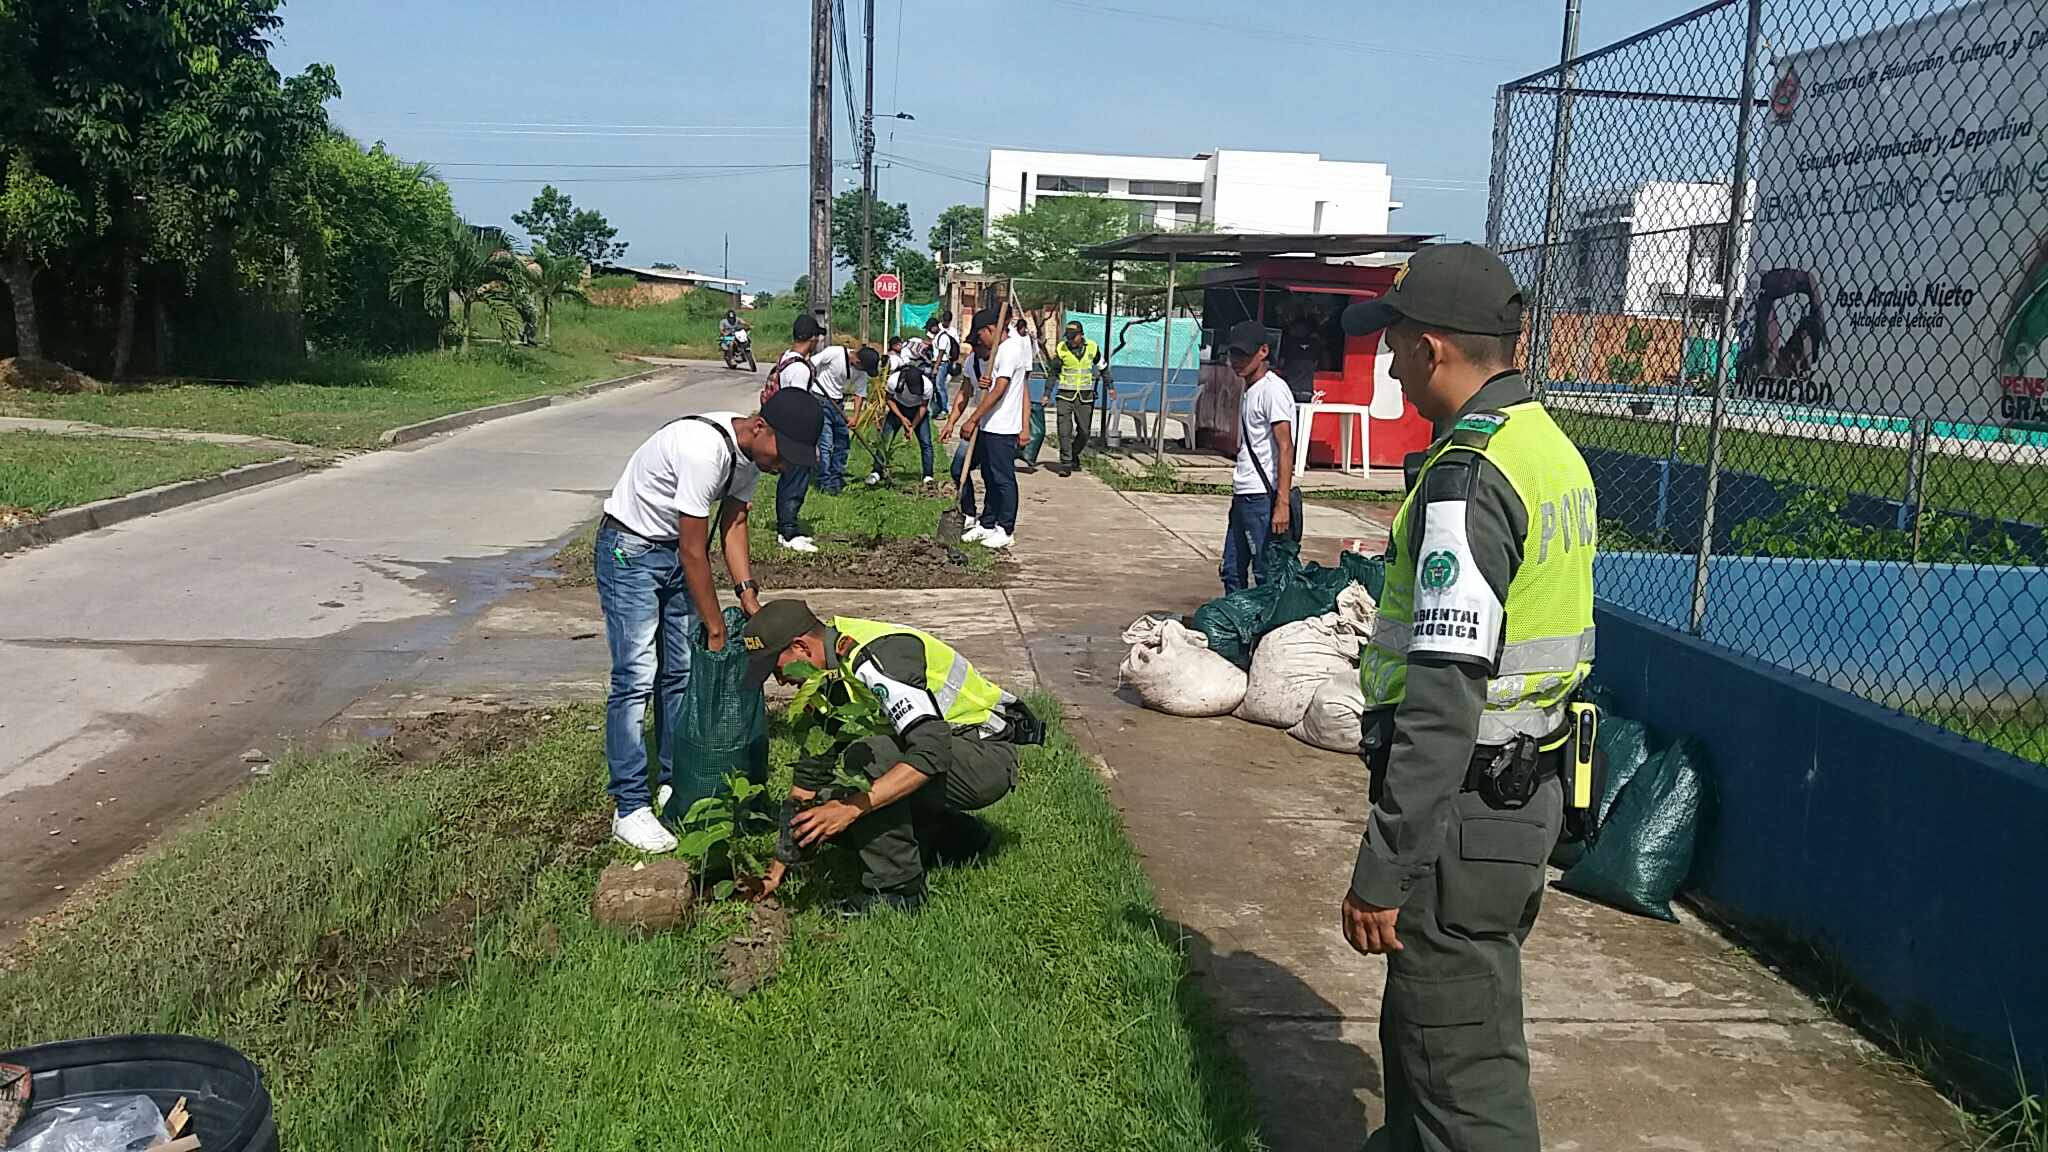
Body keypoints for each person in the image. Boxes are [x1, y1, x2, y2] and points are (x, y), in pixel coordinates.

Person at [1335, 243, 1598, 1152]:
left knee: (1463, 1077)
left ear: (1433, 348)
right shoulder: (1546, 448)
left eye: (1394, 348)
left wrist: (1384, 865)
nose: (1390, 368)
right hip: (1521, 797)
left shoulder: (1468, 476)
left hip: (1462, 815)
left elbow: (1444, 700)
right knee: (1427, 1040)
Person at [595, 390, 822, 852]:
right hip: (630, 551)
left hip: (671, 553)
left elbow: (733, 526)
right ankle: (629, 806)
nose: (783, 466)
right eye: (783, 454)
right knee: (637, 677)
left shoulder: (750, 459)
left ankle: (674, 779)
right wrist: (716, 628)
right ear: (760, 427)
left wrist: (748, 597)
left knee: (680, 672)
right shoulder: (704, 451)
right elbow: (693, 549)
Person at [739, 599, 1037, 913]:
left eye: (777, 669)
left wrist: (849, 810)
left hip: (984, 753)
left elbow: (931, 751)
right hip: (945, 754)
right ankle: (952, 836)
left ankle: (897, 891)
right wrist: (775, 871)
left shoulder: (875, 658)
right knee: (824, 804)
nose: (780, 681)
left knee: (864, 760)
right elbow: (809, 777)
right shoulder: (826, 675)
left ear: (801, 647)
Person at [940, 306, 1030, 550]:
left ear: (991, 330)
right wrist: (953, 421)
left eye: (979, 337)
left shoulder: (1011, 349)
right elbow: (965, 391)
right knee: (989, 476)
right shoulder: (977, 359)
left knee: (1002, 478)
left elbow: (1000, 390)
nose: (977, 343)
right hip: (987, 426)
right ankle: (987, 523)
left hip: (1003, 426)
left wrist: (973, 419)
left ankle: (1005, 529)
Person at [1220, 320, 1298, 593]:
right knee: (1231, 570)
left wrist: (1282, 504)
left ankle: (1268, 621)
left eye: (1243, 354)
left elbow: (1285, 446)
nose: (1236, 361)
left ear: (1263, 351)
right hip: (1243, 493)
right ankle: (1238, 618)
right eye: (1233, 354)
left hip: (1261, 498)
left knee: (1265, 573)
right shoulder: (1251, 389)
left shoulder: (1272, 390)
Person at [770, 316, 827, 553]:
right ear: (812, 338)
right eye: (817, 337)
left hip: (785, 428)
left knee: (789, 480)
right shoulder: (800, 370)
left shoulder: (787, 358)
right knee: (795, 482)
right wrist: (810, 442)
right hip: (795, 433)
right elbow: (798, 405)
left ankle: (786, 527)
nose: (818, 341)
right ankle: (788, 533)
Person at [806, 338, 881, 495]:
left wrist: (855, 417)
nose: (864, 371)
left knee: (843, 443)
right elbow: (810, 364)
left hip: (837, 405)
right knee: (826, 444)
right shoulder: (834, 353)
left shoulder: (861, 371)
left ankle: (836, 478)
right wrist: (810, 378)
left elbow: (859, 393)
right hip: (819, 400)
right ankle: (824, 482)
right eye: (864, 368)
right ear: (857, 361)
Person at [866, 357, 937, 486]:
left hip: (917, 411)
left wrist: (912, 426)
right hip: (898, 408)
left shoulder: (927, 386)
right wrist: (902, 418)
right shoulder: (894, 381)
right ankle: (876, 471)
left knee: (926, 443)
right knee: (884, 440)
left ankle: (928, 476)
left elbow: (923, 406)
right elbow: (889, 399)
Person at [1048, 320, 1106, 475]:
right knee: (1064, 431)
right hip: (1065, 395)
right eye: (1068, 336)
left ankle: (1073, 454)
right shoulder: (1061, 348)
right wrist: (1047, 393)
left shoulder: (1092, 347)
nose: (1071, 340)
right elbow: (1053, 372)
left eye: (1073, 336)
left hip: (1085, 397)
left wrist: (1111, 385)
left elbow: (1103, 367)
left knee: (1085, 432)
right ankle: (1066, 463)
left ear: (1081, 335)